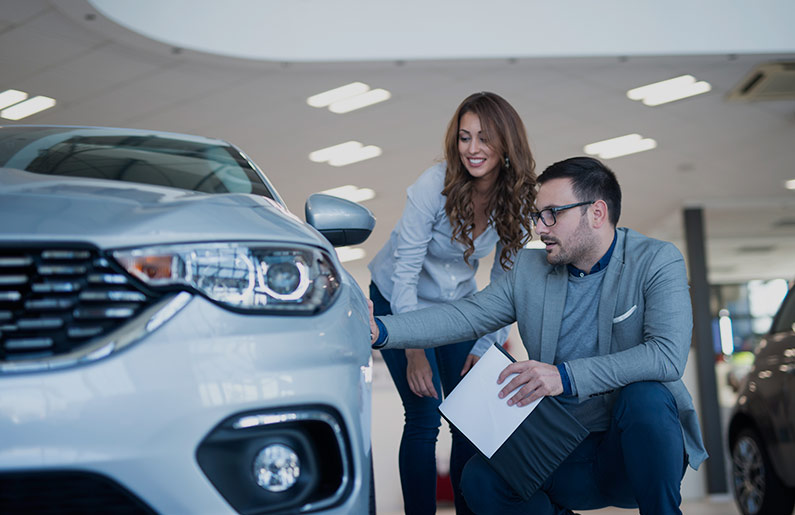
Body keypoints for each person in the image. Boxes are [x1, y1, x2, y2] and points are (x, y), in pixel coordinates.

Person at [370, 156, 709, 515]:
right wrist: (383, 329)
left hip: (631, 454)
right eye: (537, 215)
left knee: (647, 396)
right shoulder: (531, 268)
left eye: (553, 214)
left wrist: (563, 376)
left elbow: (666, 356)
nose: (540, 228)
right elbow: (467, 316)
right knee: (480, 478)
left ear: (596, 213)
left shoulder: (656, 260)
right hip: (560, 447)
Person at [368, 91, 536, 514]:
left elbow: (505, 284)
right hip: (396, 301)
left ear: (506, 143)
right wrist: (414, 350)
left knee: (466, 420)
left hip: (455, 308)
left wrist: (484, 347)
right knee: (423, 418)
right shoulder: (434, 184)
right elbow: (405, 271)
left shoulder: (515, 197)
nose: (473, 149)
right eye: (464, 137)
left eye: (484, 138)